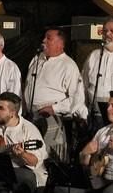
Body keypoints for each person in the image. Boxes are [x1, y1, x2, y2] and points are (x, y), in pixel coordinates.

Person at [24, 27, 86, 161]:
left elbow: (77, 99)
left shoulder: (68, 65)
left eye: (49, 38)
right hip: (31, 116)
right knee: (32, 153)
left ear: (60, 44)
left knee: (51, 157)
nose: (43, 40)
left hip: (52, 118)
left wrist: (53, 108)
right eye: (44, 37)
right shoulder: (36, 60)